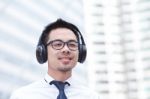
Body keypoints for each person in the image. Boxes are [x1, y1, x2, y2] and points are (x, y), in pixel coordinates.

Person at [10, 18, 100, 99]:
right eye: (57, 44)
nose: (66, 49)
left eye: (72, 44)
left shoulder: (92, 97)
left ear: (81, 52)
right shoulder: (22, 96)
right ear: (43, 51)